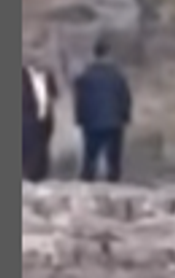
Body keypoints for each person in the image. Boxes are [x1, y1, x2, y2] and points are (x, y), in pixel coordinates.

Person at [73, 40, 133, 183]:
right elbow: (125, 98)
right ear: (108, 54)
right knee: (113, 156)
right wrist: (125, 116)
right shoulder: (117, 76)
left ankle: (87, 178)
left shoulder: (85, 75)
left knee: (90, 154)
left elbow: (80, 99)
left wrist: (80, 118)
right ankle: (113, 180)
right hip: (114, 120)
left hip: (91, 122)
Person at [22, 51, 60, 183]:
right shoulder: (22, 76)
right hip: (27, 117)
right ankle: (28, 175)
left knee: (43, 147)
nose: (40, 61)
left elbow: (54, 94)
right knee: (29, 146)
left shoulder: (48, 75)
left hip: (45, 117)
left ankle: (41, 175)